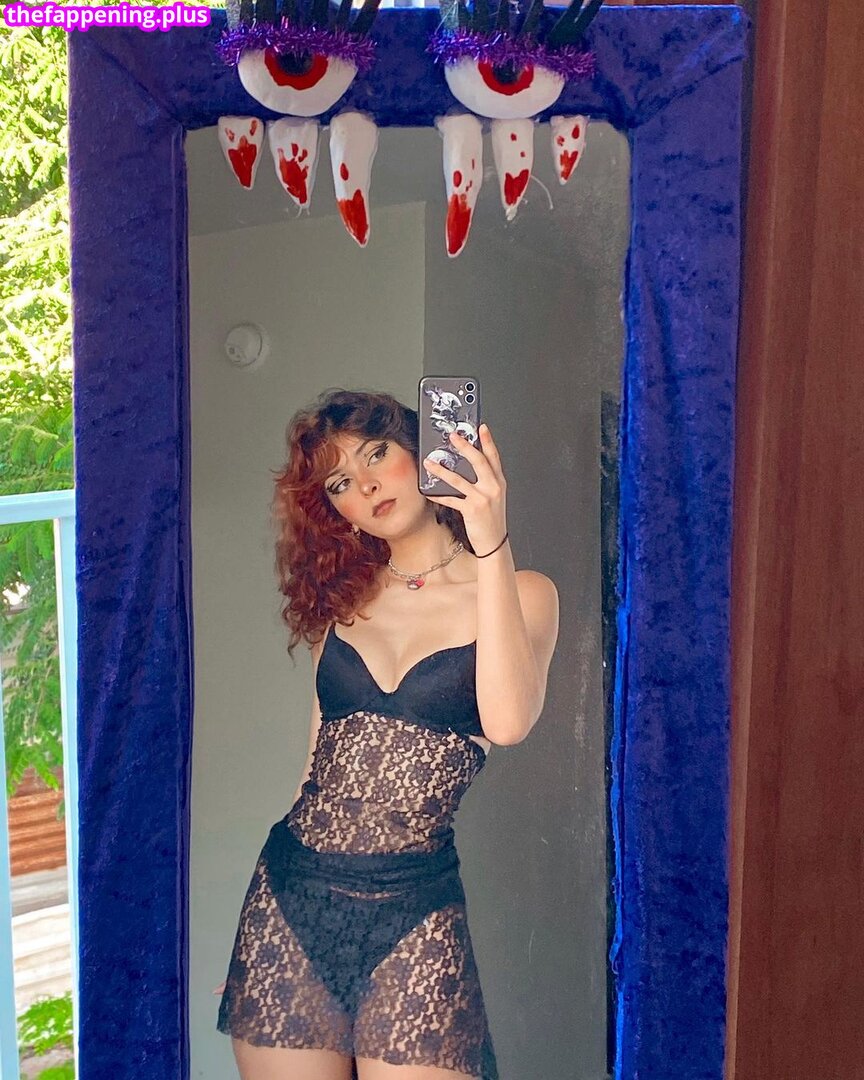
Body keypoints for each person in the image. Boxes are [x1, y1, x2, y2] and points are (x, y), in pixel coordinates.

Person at [214, 388, 559, 1080]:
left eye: (376, 454)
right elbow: (315, 773)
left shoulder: (524, 591)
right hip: (291, 901)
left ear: (423, 453)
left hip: (413, 913)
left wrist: (490, 538)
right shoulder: (343, 604)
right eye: (340, 482)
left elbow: (508, 721)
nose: (366, 486)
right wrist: (258, 949)